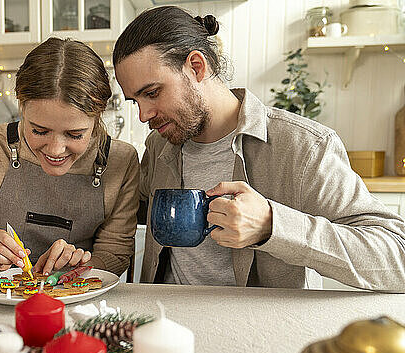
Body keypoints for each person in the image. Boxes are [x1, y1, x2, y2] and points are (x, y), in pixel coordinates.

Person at [113, 6, 405, 291]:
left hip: (263, 334)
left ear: (196, 67)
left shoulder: (304, 148)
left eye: (152, 93)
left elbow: (397, 258)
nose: (143, 115)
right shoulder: (160, 144)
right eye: (135, 101)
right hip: (166, 328)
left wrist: (272, 225)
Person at [0, 37, 139, 277]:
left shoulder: (121, 160)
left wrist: (79, 267)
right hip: (1, 299)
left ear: (97, 116)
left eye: (74, 134)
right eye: (39, 131)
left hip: (82, 306)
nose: (55, 150)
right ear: (22, 106)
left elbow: (115, 254)